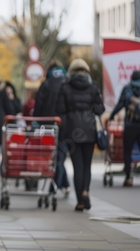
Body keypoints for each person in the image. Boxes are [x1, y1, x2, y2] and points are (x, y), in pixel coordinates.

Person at [56, 58, 105, 211]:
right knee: (87, 166)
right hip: (89, 130)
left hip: (72, 131)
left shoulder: (65, 87)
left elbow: (60, 110)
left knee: (77, 167)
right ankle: (85, 191)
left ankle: (79, 201)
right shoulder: (92, 87)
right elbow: (100, 109)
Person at [33, 61, 70, 195]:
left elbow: (38, 106)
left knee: (51, 156)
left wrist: (37, 120)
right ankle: (63, 185)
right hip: (65, 125)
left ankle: (54, 187)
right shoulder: (68, 82)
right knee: (59, 156)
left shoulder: (46, 84)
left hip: (47, 125)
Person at [108, 70, 140, 187]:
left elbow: (120, 104)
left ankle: (128, 177)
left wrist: (112, 116)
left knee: (128, 151)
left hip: (130, 125)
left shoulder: (127, 88)